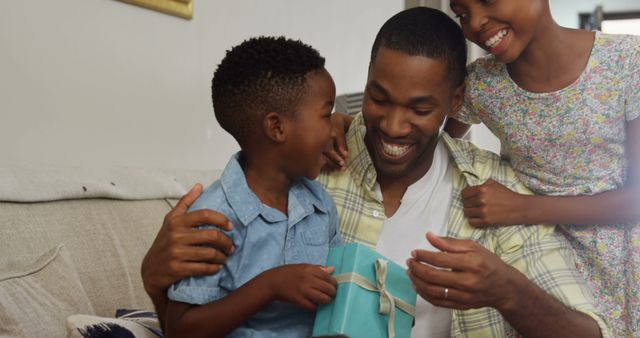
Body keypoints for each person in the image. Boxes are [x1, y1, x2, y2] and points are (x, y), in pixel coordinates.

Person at [142, 8, 610, 338]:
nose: (392, 125)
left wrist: (507, 291)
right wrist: (154, 276)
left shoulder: (497, 196)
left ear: (456, 103)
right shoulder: (311, 170)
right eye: (379, 99)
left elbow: (589, 332)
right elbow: (196, 314)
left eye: (421, 108)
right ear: (363, 82)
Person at [437, 1, 640, 337]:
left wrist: (522, 207)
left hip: (623, 267)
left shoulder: (627, 61)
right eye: (461, 13)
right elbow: (432, 145)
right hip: (538, 262)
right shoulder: (481, 84)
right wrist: (348, 128)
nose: (476, 22)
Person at [161, 36, 343, 338]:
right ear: (277, 128)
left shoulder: (320, 205)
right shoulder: (212, 217)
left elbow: (338, 290)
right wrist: (270, 286)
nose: (334, 127)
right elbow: (180, 329)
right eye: (326, 115)